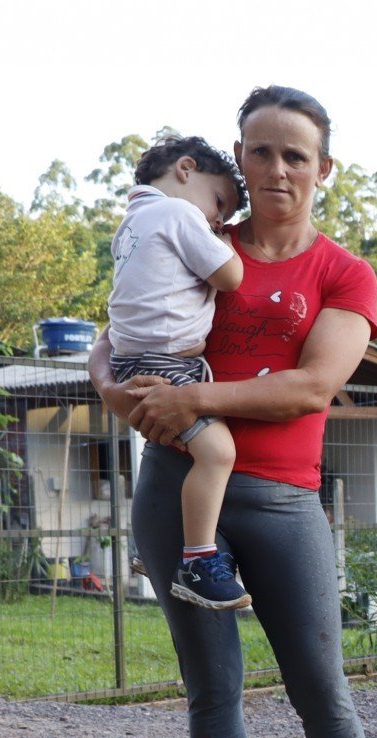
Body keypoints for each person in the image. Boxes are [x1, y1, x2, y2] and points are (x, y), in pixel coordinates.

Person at [90, 85, 377, 738]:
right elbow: (116, 333)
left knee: (321, 687)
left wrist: (198, 403)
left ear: (323, 170)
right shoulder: (187, 231)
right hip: (175, 491)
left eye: (295, 155)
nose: (277, 169)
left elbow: (312, 387)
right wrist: (107, 387)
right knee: (212, 686)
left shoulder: (342, 273)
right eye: (261, 151)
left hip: (282, 500)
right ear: (237, 159)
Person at [105, 136, 250, 610]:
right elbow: (231, 277)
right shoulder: (178, 214)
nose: (219, 220)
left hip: (135, 360)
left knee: (179, 454)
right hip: (165, 365)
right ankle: (198, 560)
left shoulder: (130, 225)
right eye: (220, 203)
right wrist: (225, 244)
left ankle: (156, 548)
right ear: (186, 169)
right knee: (218, 452)